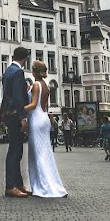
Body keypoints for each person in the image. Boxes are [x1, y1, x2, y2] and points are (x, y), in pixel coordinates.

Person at [25, 60, 68, 198]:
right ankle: (51, 184)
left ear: (34, 71)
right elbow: (44, 106)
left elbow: (33, 105)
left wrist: (17, 110)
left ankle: (43, 186)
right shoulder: (46, 85)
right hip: (43, 117)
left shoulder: (36, 85)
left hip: (36, 119)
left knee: (37, 155)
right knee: (45, 153)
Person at [2, 47, 31, 198]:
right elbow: (19, 98)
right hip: (15, 116)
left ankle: (18, 183)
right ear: (25, 59)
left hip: (8, 114)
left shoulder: (8, 71)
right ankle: (11, 186)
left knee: (17, 150)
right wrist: (23, 118)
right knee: (15, 151)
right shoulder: (18, 72)